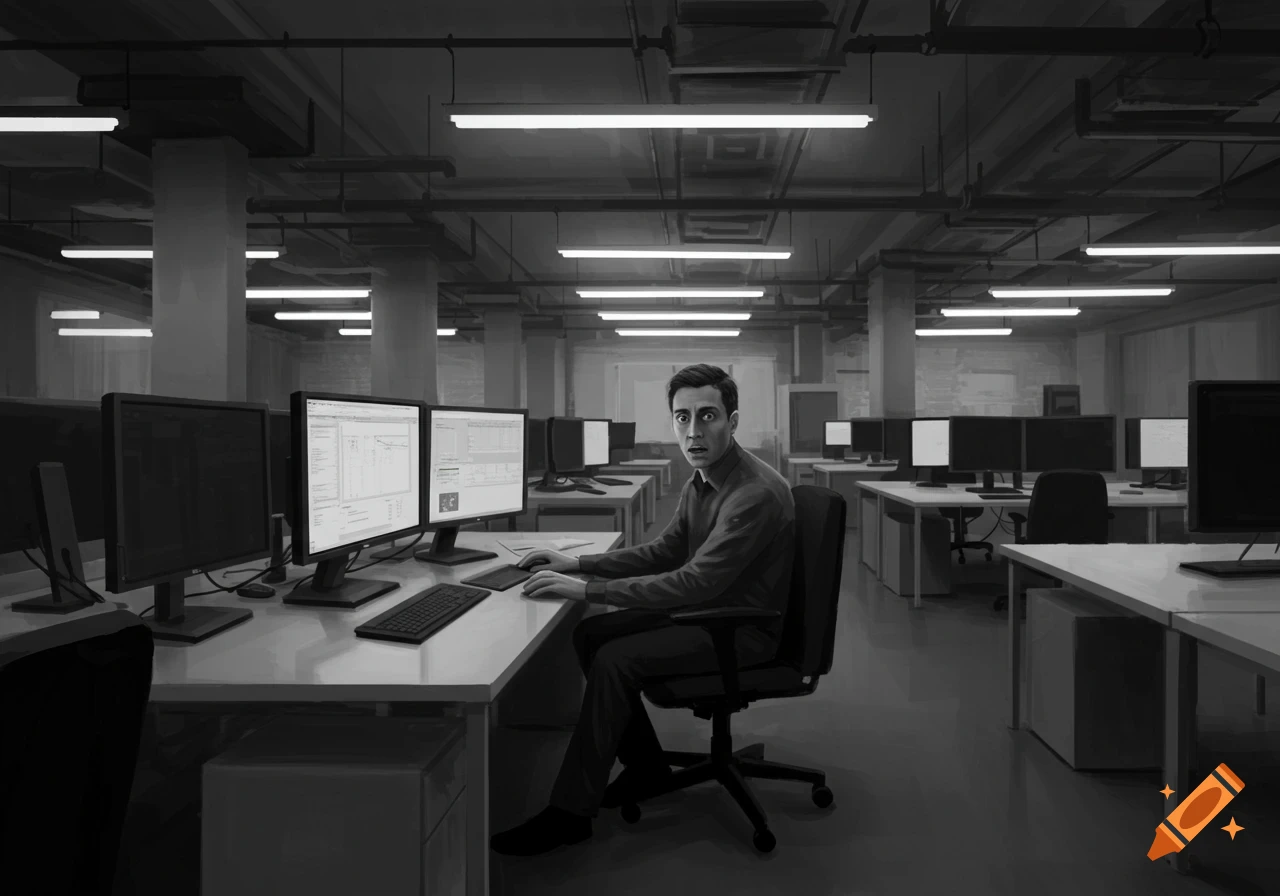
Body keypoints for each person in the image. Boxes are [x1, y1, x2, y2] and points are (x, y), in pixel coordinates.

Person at [490, 363, 795, 857]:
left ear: (733, 422)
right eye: (682, 418)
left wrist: (585, 592)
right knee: (590, 637)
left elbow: (695, 582)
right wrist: (580, 563)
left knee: (616, 658)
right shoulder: (705, 478)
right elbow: (666, 551)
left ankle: (570, 813)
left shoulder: (752, 493)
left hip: (739, 627)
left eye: (708, 416)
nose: (693, 431)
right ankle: (646, 765)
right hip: (711, 609)